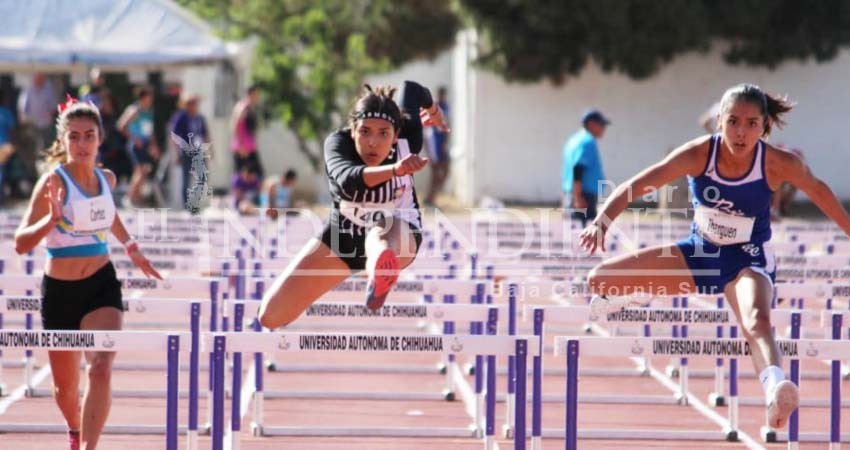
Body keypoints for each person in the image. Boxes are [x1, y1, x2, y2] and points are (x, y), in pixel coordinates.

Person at [581, 83, 850, 431]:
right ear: (719, 121)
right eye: (733, 121)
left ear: (764, 126)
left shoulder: (777, 163)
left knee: (757, 321)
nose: (741, 132)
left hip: (747, 258)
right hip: (701, 253)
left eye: (752, 123)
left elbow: (820, 192)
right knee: (599, 281)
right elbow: (640, 183)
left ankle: (775, 389)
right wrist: (601, 223)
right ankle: (640, 292)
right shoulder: (698, 154)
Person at [13, 96, 161, 450]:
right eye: (75, 136)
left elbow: (107, 214)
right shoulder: (53, 183)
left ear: (100, 138)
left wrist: (131, 248)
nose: (82, 144)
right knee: (65, 394)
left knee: (101, 369)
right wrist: (52, 219)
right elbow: (20, 243)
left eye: (89, 136)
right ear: (63, 140)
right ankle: (75, 430)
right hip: (61, 293)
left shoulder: (106, 179)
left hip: (101, 286)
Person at [257, 81, 448, 328]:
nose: (373, 142)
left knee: (380, 230)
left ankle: (378, 272)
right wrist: (395, 169)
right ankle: (377, 269)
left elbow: (411, 89)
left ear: (396, 135)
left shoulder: (408, 138)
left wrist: (434, 112)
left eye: (383, 134)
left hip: (399, 233)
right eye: (365, 131)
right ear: (352, 129)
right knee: (270, 316)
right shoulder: (338, 144)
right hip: (343, 237)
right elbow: (350, 180)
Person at [563, 109, 610, 226]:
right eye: (601, 124)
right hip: (583, 195)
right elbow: (578, 168)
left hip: (572, 193)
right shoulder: (587, 141)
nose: (604, 128)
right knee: (585, 232)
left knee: (573, 231)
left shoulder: (573, 140)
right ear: (591, 124)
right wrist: (578, 197)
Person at [117, 86, 159, 207]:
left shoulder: (149, 111)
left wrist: (154, 146)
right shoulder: (135, 110)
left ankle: (136, 198)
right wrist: (135, 139)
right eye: (149, 96)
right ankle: (130, 198)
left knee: (144, 172)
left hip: (145, 144)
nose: (151, 99)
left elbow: (150, 132)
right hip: (136, 145)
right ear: (143, 97)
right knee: (140, 171)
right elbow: (121, 125)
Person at [169, 92, 210, 211]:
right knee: (185, 178)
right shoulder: (180, 117)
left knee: (201, 176)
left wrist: (209, 151)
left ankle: (196, 202)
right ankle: (188, 205)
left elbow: (205, 134)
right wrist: (176, 152)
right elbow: (174, 135)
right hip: (186, 151)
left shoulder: (200, 118)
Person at [424, 86, 451, 206]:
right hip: (434, 142)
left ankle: (431, 196)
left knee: (445, 171)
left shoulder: (446, 106)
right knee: (435, 173)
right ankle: (430, 198)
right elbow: (427, 129)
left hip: (442, 143)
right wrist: (428, 148)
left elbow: (447, 125)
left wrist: (446, 141)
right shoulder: (433, 107)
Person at [230, 85, 263, 177]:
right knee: (241, 174)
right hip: (243, 148)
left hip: (250, 146)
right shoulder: (242, 107)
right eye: (257, 94)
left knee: (255, 174)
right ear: (251, 94)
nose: (258, 97)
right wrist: (241, 145)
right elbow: (235, 125)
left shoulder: (251, 108)